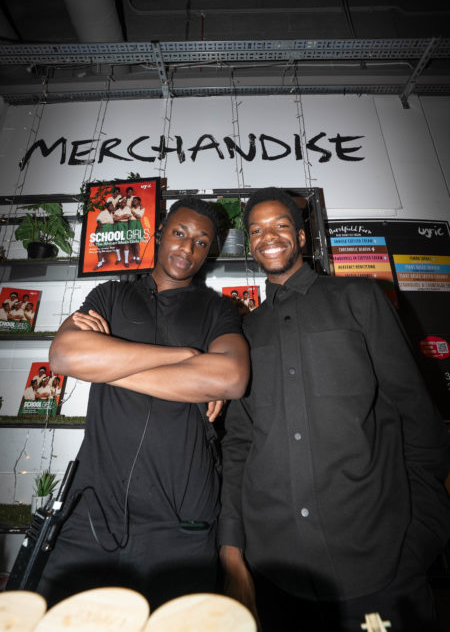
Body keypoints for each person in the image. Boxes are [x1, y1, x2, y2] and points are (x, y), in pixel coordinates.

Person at [218, 187, 450, 632]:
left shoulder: (360, 298)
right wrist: (233, 549)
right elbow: (240, 445)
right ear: (249, 244)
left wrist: (419, 539)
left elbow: (418, 421)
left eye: (281, 225)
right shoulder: (245, 332)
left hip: (381, 565)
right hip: (276, 573)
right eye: (257, 230)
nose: (269, 236)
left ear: (302, 237)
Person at [39, 196, 249, 611]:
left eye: (201, 241)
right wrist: (185, 357)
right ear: (159, 234)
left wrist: (107, 365)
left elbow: (231, 378)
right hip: (91, 516)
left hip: (180, 526)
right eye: (180, 233)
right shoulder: (109, 295)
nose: (188, 248)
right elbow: (63, 356)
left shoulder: (217, 309)